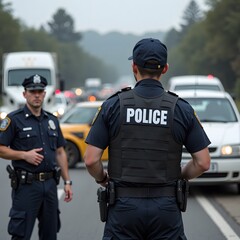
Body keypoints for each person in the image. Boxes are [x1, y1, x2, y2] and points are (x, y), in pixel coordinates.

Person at [84, 38, 211, 240]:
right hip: (166, 208)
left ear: (134, 66)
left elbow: (91, 159)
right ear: (165, 69)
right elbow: (203, 162)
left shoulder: (113, 106)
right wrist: (181, 176)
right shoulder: (181, 108)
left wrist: (102, 178)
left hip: (123, 209)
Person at [0, 74, 73, 240]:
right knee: (21, 234)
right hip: (26, 187)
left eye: (40, 91)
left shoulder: (52, 120)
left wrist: (67, 181)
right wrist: (24, 155)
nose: (37, 95)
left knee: (50, 234)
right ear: (25, 94)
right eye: (33, 91)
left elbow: (60, 151)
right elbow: (1, 149)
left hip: (49, 186)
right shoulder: (14, 120)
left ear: (45, 93)